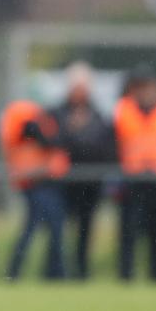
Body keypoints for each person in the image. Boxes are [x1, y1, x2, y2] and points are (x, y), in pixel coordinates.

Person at [113, 66, 156, 281]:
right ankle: (126, 279)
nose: (144, 91)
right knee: (129, 235)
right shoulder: (124, 108)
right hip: (133, 180)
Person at [52, 62, 113, 279]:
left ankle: (81, 272)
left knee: (85, 231)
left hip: (89, 184)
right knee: (57, 230)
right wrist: (74, 132)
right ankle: (57, 272)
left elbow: (101, 144)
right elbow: (55, 141)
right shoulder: (58, 113)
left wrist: (80, 133)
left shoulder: (97, 115)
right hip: (63, 183)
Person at [1, 100, 70, 280]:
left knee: (45, 229)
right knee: (37, 229)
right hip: (34, 184)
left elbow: (55, 145)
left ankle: (51, 272)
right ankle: (45, 272)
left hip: (47, 182)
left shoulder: (44, 119)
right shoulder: (22, 118)